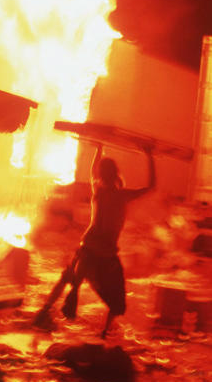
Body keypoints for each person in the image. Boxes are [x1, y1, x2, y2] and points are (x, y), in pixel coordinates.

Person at [35, 141, 156, 337]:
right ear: (116, 173)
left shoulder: (98, 192)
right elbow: (151, 186)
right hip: (104, 253)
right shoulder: (122, 196)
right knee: (116, 295)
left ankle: (45, 310)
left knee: (68, 279)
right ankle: (105, 331)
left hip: (88, 248)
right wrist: (149, 156)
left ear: (102, 175)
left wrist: (98, 149)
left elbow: (93, 173)